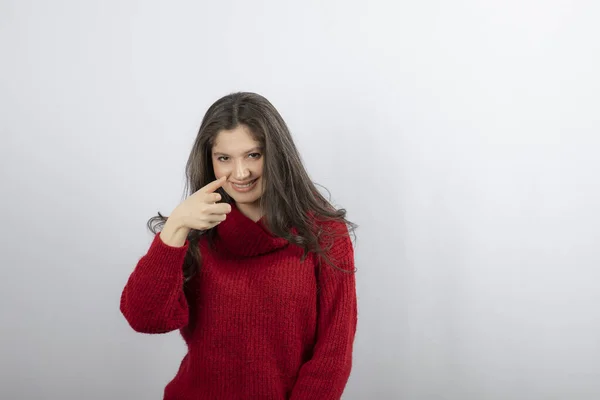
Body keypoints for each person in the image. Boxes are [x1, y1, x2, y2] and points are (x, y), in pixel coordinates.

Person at [120, 92, 358, 400]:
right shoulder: (193, 231)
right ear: (209, 161)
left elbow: (332, 356)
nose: (241, 173)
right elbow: (145, 319)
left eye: (253, 155)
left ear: (276, 154)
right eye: (224, 159)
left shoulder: (325, 234)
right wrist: (176, 227)